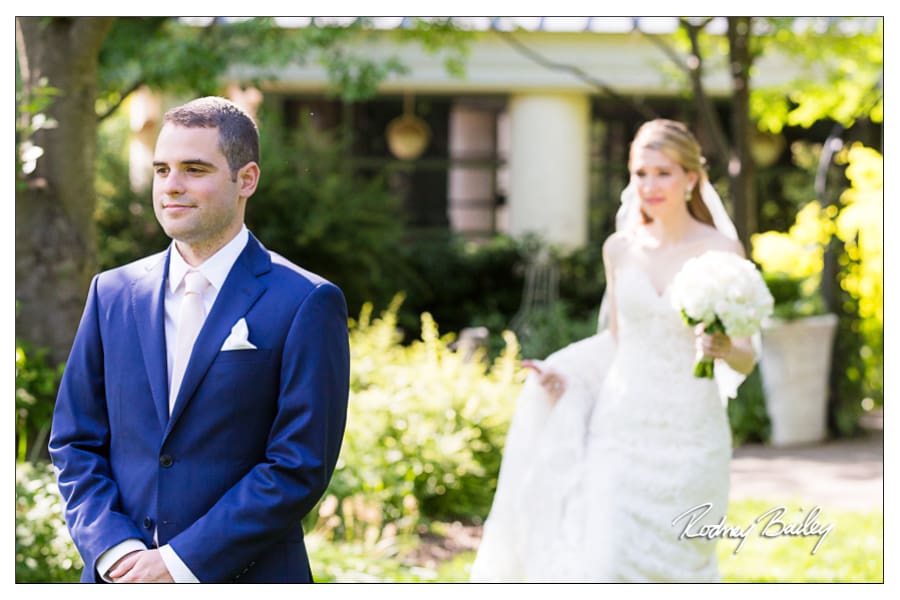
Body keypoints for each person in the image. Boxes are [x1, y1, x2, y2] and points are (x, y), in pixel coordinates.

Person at [49, 96, 350, 583]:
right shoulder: (112, 292)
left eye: (194, 169)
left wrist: (176, 563)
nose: (172, 186)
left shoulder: (307, 302)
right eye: (162, 169)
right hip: (116, 579)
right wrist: (115, 549)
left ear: (246, 179)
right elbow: (75, 441)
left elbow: (298, 465)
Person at [471, 119, 757, 582]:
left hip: (693, 436)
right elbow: (619, 341)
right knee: (604, 563)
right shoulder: (620, 250)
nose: (649, 185)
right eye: (640, 173)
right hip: (620, 430)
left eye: (663, 172)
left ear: (691, 177)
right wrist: (565, 372)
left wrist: (723, 346)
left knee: (683, 570)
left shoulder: (722, 249)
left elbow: (747, 355)